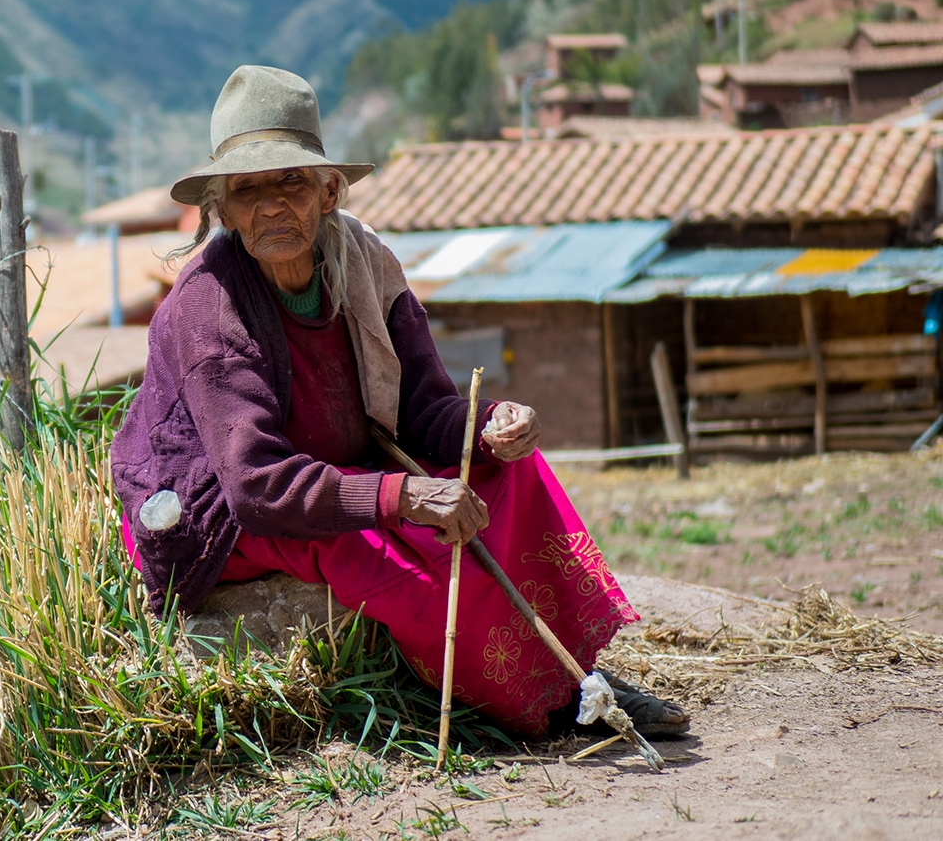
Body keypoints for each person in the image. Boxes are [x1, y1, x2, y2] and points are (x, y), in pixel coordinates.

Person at [110, 65, 687, 737]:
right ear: (224, 209)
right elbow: (253, 484)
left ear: (328, 190)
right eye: (247, 190)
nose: (270, 206)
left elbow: (421, 410)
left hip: (346, 472)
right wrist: (401, 497)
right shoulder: (210, 307)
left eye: (290, 181)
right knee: (406, 550)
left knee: (511, 473)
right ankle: (547, 704)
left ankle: (577, 669)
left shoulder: (362, 262)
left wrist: (486, 426)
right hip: (221, 514)